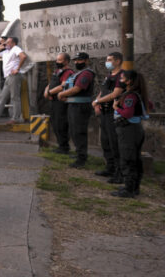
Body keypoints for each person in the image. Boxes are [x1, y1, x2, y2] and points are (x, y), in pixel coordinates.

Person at [111, 70, 151, 198]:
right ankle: (134, 187)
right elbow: (149, 105)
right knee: (135, 159)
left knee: (128, 159)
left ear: (129, 81)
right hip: (136, 129)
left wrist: (116, 107)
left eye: (123, 79)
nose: (120, 81)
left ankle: (129, 189)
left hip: (129, 130)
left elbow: (127, 113)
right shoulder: (139, 94)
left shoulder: (130, 96)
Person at [57, 52, 96, 169]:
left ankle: (81, 158)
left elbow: (77, 88)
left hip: (81, 106)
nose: (76, 62)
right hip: (73, 105)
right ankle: (79, 153)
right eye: (75, 60)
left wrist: (62, 94)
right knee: (74, 131)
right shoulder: (78, 74)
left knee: (79, 132)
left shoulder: (87, 73)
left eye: (79, 60)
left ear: (86, 60)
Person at [92, 52, 125, 181]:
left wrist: (98, 102)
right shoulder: (109, 76)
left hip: (114, 113)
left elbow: (115, 94)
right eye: (107, 59)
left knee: (115, 143)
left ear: (118, 61)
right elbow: (103, 91)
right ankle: (110, 168)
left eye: (110, 60)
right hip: (104, 113)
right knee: (105, 142)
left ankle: (120, 173)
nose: (107, 62)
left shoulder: (122, 75)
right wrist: (97, 101)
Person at [0, 36, 27, 125]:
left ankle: (15, 118)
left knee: (15, 97)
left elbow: (23, 56)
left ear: (13, 43)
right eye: (6, 42)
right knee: (2, 97)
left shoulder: (16, 48)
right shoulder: (6, 52)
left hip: (14, 76)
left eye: (8, 42)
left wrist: (17, 68)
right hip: (8, 77)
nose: (6, 44)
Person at [44, 53, 74, 154]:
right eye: (57, 60)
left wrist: (50, 92)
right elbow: (50, 83)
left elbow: (62, 86)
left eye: (60, 60)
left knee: (61, 124)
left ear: (66, 61)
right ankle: (60, 146)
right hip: (53, 101)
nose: (57, 62)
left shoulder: (68, 72)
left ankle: (64, 147)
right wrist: (46, 90)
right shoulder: (57, 71)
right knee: (55, 123)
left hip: (60, 102)